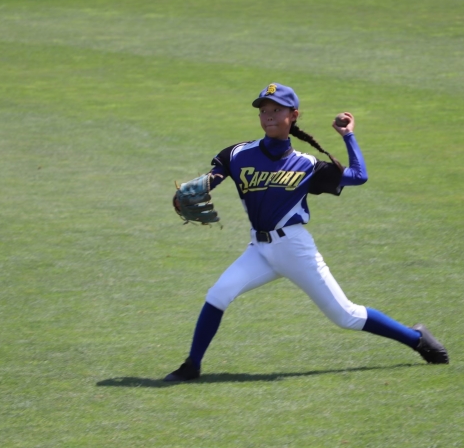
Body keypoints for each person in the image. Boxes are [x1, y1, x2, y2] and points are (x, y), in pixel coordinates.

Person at [164, 83, 448, 382]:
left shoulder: (307, 165)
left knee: (346, 316)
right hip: (259, 249)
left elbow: (359, 176)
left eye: (276, 109)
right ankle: (192, 366)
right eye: (264, 110)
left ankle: (417, 339)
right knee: (219, 294)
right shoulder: (237, 154)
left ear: (294, 115)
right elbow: (212, 178)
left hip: (295, 249)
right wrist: (191, 191)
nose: (268, 115)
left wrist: (348, 136)